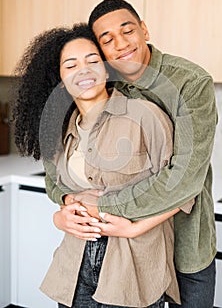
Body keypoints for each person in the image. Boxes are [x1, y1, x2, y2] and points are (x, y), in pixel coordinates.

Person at [45, 0, 218, 308]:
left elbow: (186, 179)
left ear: (144, 30)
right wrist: (65, 205)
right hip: (124, 253)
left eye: (127, 31)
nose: (121, 44)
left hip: (184, 242)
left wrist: (120, 215)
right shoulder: (101, 83)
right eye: (107, 40)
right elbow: (60, 163)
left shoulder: (190, 82)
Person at [12, 23, 195, 308]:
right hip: (75, 267)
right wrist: (60, 214)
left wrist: (133, 228)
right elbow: (58, 185)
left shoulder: (145, 116)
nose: (83, 70)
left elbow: (184, 189)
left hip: (134, 272)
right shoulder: (58, 127)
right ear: (60, 79)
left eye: (93, 61)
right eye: (71, 65)